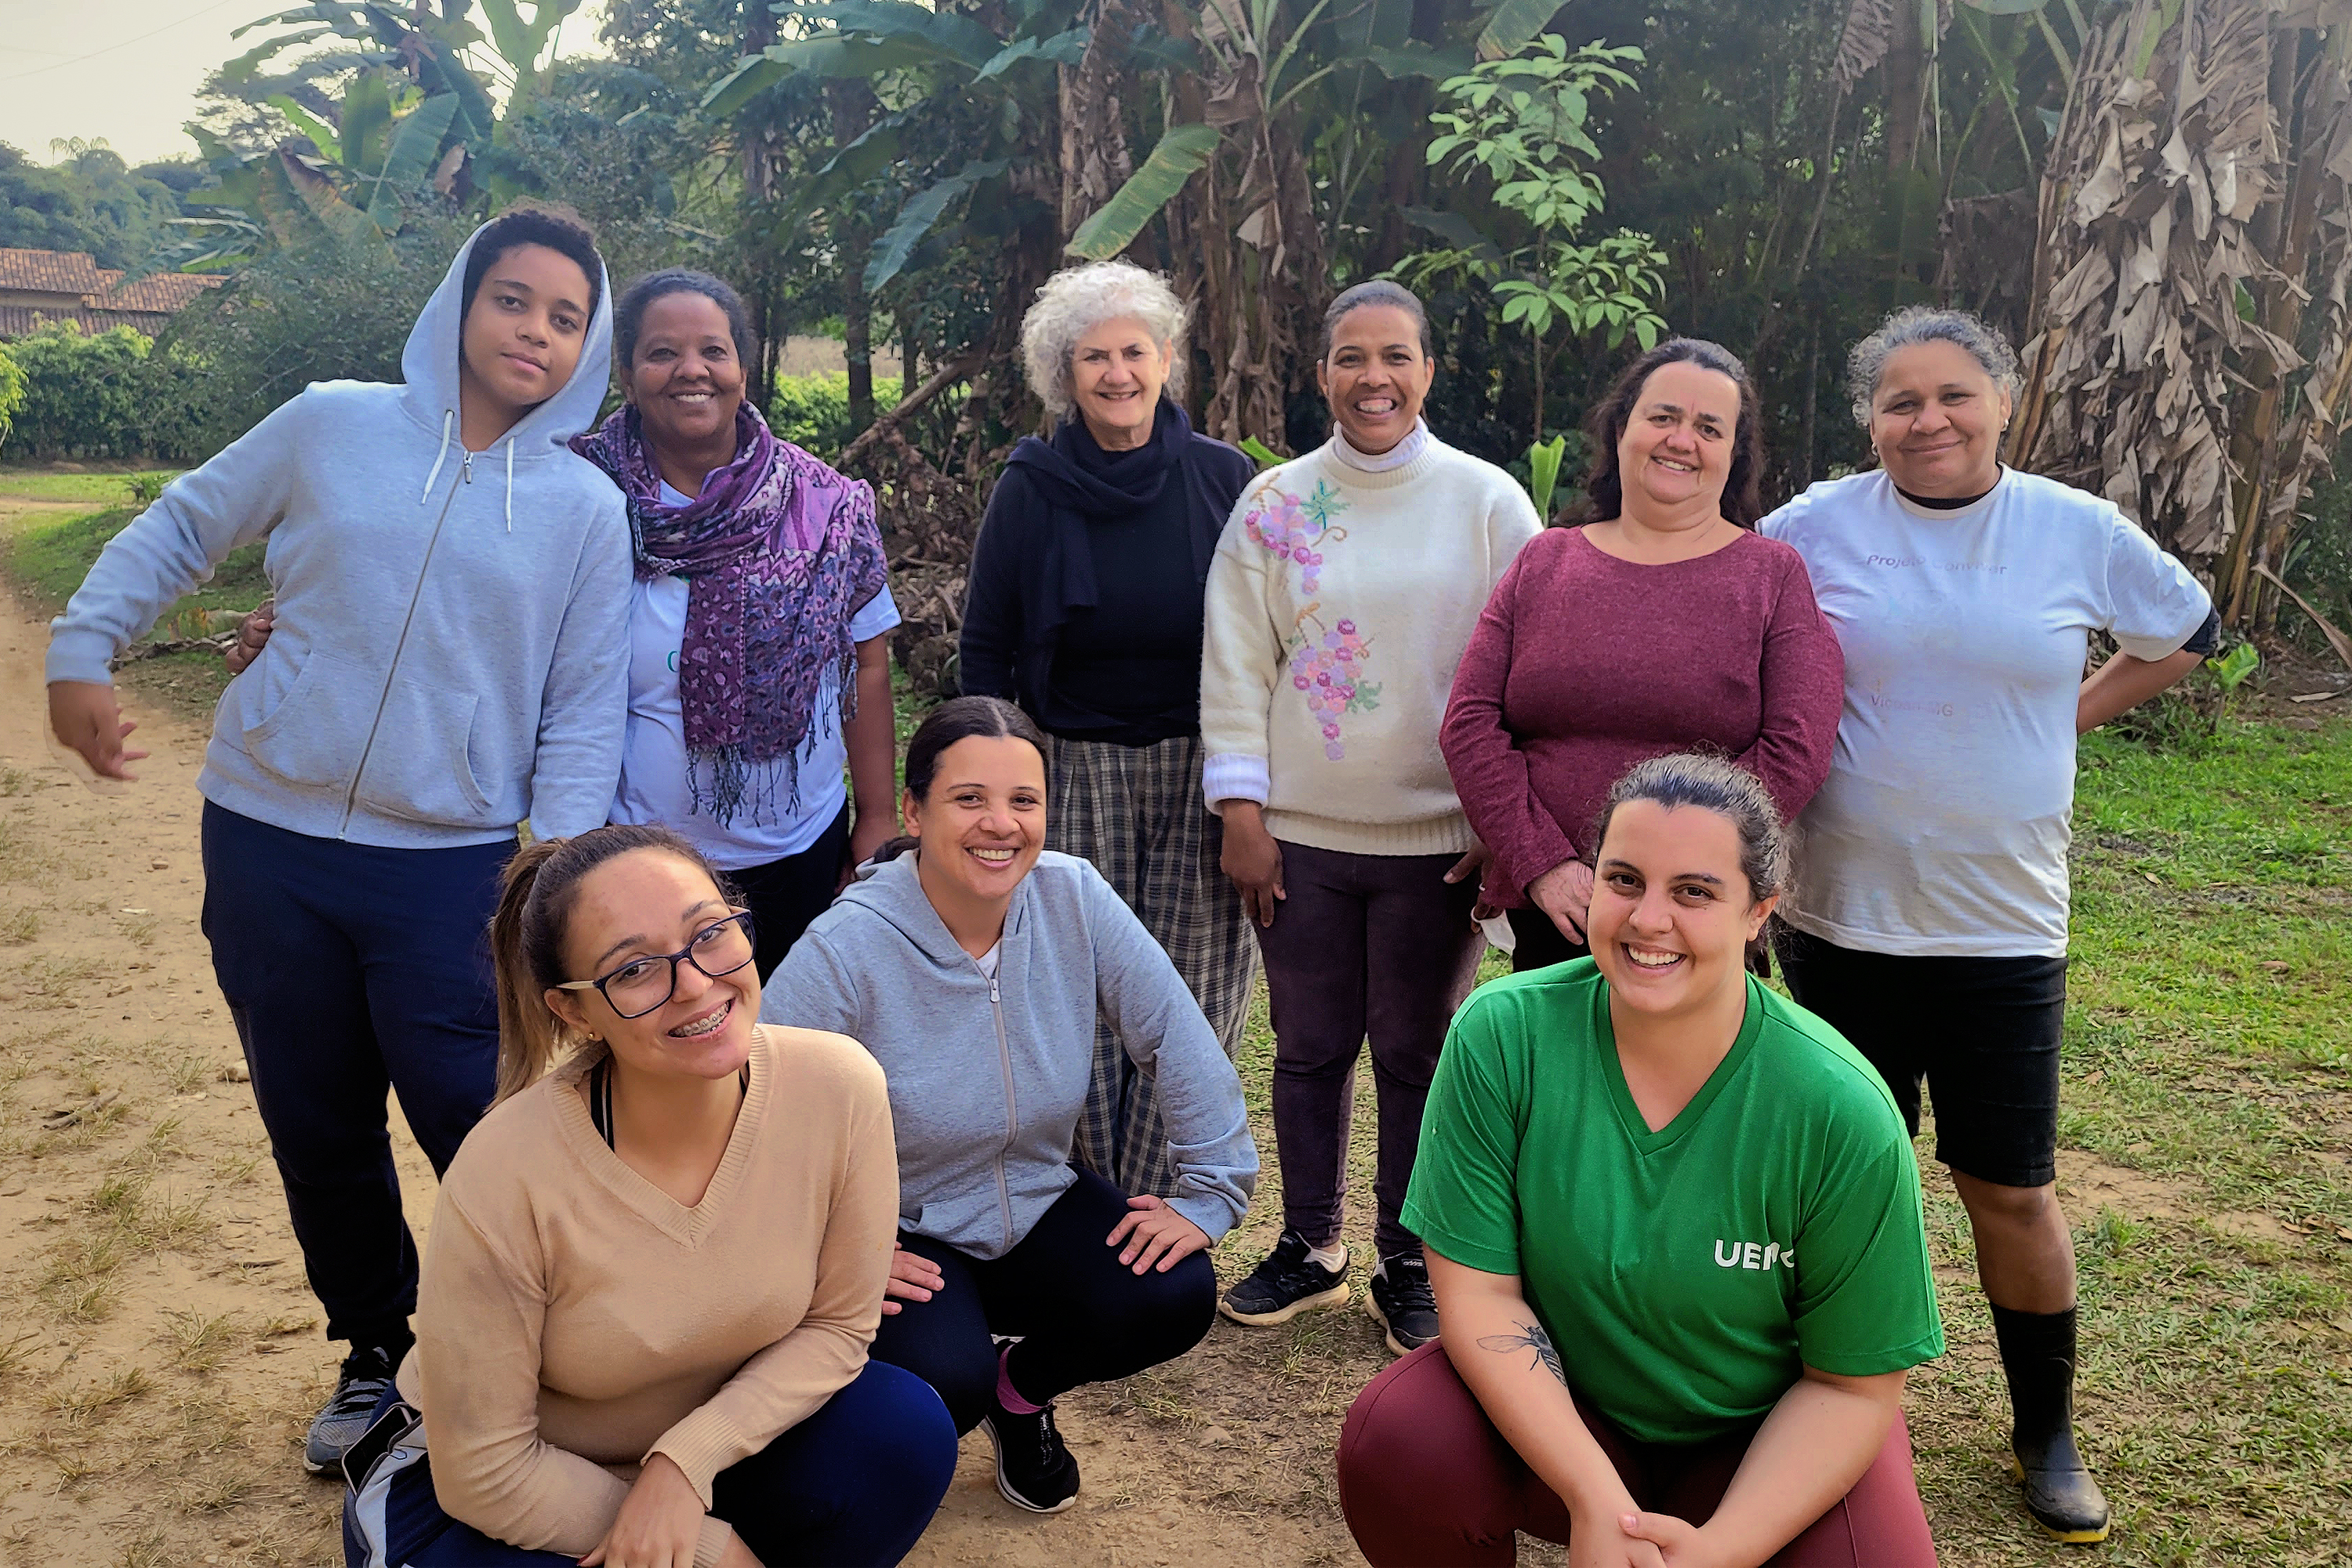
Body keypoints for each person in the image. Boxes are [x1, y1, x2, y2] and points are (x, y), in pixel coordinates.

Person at [45, 206, 634, 1473]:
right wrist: (82, 645)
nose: (534, 329)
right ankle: (374, 1354)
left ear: (589, 346)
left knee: (481, 1127)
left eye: (565, 315)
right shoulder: (329, 424)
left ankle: (540, 1360)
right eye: (512, 299)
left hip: (452, 869)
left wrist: (551, 878)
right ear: (461, 304)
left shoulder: (588, 508)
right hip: (268, 841)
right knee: (315, 1118)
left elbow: (584, 710)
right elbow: (186, 525)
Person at [1761, 305, 2216, 1544]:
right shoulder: (1812, 527)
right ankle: (1826, 1408)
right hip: (1835, 920)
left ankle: (2045, 1430)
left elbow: (2186, 633)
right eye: (1900, 402)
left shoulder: (2074, 531)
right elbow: (1738, 628)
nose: (1929, 421)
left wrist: (2065, 715)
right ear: (1871, 419)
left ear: (2005, 401)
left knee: (2008, 1189)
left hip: (2003, 929)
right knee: (1836, 1184)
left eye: (1955, 395)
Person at [1336, 754, 1944, 1568]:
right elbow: (1478, 1294)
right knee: (1401, 1439)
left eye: (1694, 890)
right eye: (1623, 879)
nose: (1647, 918)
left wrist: (1721, 1549)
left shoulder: (1836, 1106)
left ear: (1758, 910)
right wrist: (1595, 1499)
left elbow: (1851, 1385)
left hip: (1758, 1441)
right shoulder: (1505, 1035)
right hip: (1571, 1416)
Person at [233, 267, 899, 982]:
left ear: (742, 366)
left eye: (713, 349)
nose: (690, 371)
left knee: (790, 1050)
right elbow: (452, 597)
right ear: (625, 372)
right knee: (658, 1045)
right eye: (661, 352)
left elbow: (866, 663)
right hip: (630, 853)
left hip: (797, 846)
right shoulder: (571, 491)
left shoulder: (827, 506)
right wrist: (301, 630)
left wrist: (878, 816)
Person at [342, 824, 957, 1567]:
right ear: (572, 1010)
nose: (696, 984)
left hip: (696, 1463)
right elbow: (485, 1472)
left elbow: (836, 1329)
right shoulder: (508, 1167)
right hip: (486, 1493)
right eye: (634, 971)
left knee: (900, 1431)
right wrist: (711, 1552)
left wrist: (682, 1464)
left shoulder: (839, 1086)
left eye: (710, 933)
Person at [760, 696, 1258, 1515]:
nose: (1001, 823)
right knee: (937, 1385)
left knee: (1171, 1292)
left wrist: (1211, 1189)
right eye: (969, 798)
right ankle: (895, 1410)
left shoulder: (1072, 896)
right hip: (903, 1224)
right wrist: (830, 1250)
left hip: (1032, 1195)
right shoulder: (847, 945)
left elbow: (1174, 1032)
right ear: (915, 810)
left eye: (1024, 800)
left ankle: (1019, 1393)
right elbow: (753, 1109)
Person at [1203, 279, 1541, 1356]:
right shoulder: (1273, 504)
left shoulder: (1488, 504)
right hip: (1299, 837)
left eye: (1396, 357)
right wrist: (1242, 810)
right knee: (1306, 1049)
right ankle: (1311, 1245)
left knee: (1415, 1049)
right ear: (1322, 377)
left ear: (1429, 371)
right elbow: (1236, 663)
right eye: (1352, 358)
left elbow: (1535, 670)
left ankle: (1408, 1257)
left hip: (1439, 842)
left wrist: (1504, 816)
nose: (1374, 378)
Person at [960, 260, 1261, 1200]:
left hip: (1201, 769)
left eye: (1136, 350)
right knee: (1069, 981)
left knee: (1192, 987)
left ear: (1167, 359)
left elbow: (1277, 635)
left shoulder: (1227, 480)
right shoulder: (1031, 487)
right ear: (1065, 373)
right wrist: (997, 774)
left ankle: (1166, 1198)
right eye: (1095, 356)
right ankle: (1080, 1196)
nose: (1118, 372)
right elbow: (985, 642)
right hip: (1069, 764)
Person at [1442, 339, 1843, 972]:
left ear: (1733, 455)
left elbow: (1798, 746)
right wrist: (1540, 860)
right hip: (1557, 910)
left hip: (1697, 912)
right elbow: (1469, 724)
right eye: (1663, 417)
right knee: (1559, 1073)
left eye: (1708, 427)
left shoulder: (1772, 577)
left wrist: (1665, 880)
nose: (1681, 440)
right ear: (1622, 425)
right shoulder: (1546, 561)